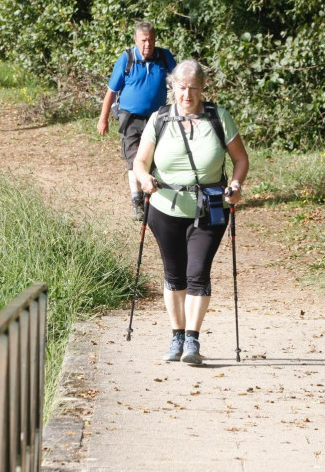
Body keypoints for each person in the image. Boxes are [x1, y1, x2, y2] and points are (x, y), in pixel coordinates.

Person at [132, 59, 249, 366]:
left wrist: (236, 185)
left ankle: (193, 342)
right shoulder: (159, 118)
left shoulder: (219, 118)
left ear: (203, 88)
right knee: (174, 274)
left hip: (210, 206)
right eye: (182, 88)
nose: (187, 95)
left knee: (198, 273)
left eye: (194, 88)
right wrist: (144, 179)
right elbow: (140, 161)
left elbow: (240, 160)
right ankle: (177, 336)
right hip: (164, 206)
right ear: (173, 87)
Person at [97, 22, 175, 221]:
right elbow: (111, 91)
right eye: (143, 40)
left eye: (151, 40)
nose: (147, 44)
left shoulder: (165, 58)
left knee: (156, 158)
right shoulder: (126, 59)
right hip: (130, 117)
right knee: (133, 160)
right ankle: (137, 201)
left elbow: (179, 83)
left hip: (157, 117)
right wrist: (103, 119)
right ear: (136, 40)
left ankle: (155, 200)